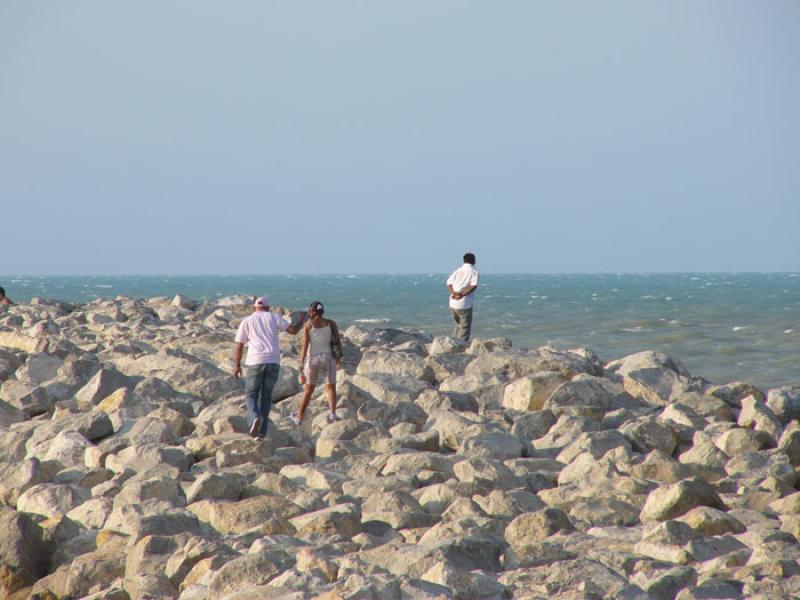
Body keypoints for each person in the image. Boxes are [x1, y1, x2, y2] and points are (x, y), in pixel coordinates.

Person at [233, 296, 308, 438]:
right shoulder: (274, 317)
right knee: (266, 397)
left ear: (255, 308)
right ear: (267, 307)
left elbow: (239, 346)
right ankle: (261, 433)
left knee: (251, 395)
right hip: (273, 361)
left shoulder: (247, 321)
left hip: (255, 361)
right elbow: (292, 331)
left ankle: (254, 417)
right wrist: (302, 320)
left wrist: (237, 365)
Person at [292, 301, 342, 425]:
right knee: (331, 387)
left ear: (313, 312)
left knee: (308, 389)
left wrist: (300, 364)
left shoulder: (308, 325)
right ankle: (333, 414)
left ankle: (299, 417)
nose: (309, 313)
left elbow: (305, 346)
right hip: (328, 358)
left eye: (310, 311)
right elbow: (338, 342)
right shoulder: (331, 324)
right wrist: (338, 359)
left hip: (313, 359)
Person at [446, 253, 480, 342]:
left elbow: (449, 283)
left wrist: (454, 293)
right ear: (473, 260)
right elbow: (474, 285)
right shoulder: (474, 271)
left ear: (464, 260)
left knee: (457, 326)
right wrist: (462, 294)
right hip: (464, 303)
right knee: (464, 327)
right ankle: (461, 346)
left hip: (453, 302)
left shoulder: (457, 271)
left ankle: (453, 342)